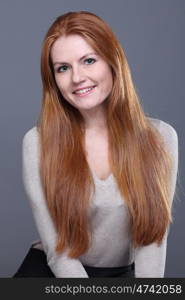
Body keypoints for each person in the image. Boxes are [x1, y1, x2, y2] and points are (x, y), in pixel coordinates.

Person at [13, 11, 178, 278]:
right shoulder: (38, 142)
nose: (77, 77)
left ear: (113, 61)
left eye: (89, 60)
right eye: (63, 68)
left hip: (120, 274)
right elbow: (59, 252)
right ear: (53, 80)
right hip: (54, 270)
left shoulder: (160, 137)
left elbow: (153, 241)